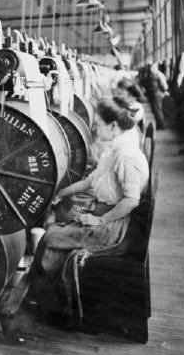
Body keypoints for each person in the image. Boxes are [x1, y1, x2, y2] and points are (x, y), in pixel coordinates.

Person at [30, 95, 150, 317]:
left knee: (50, 238)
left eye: (98, 124)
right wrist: (60, 192)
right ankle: (43, 294)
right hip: (107, 215)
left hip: (113, 227)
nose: (94, 128)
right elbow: (90, 181)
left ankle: (52, 303)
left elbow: (131, 200)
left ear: (113, 126)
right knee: (55, 231)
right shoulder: (114, 151)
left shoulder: (126, 157)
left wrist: (100, 220)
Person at [143, 62, 169, 130]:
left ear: (156, 68)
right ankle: (159, 124)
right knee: (155, 110)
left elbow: (165, 86)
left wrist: (163, 92)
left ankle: (161, 125)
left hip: (157, 94)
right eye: (150, 68)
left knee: (158, 110)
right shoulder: (151, 75)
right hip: (152, 94)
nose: (151, 69)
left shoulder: (159, 75)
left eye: (153, 67)